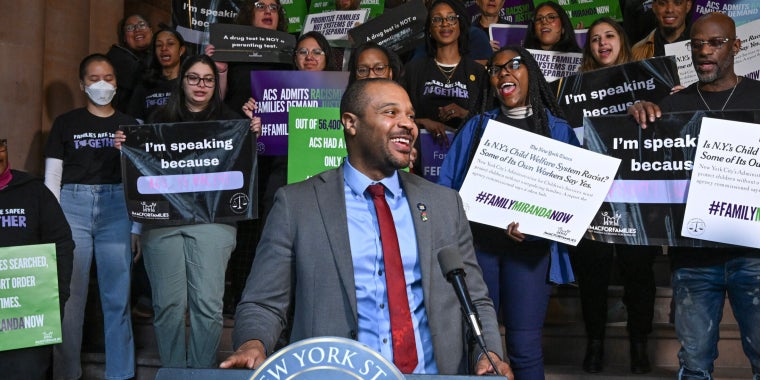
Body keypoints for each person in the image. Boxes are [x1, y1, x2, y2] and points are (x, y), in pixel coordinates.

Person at [219, 78, 512, 379]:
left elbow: (475, 300)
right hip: (335, 374)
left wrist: (486, 352)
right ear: (350, 123)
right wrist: (252, 343)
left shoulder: (444, 204)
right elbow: (263, 303)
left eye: (410, 116)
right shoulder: (297, 205)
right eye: (390, 113)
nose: (408, 124)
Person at [628, 12, 760, 379]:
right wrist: (635, 114)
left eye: (715, 43)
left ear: (735, 46)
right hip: (692, 257)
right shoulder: (670, 107)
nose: (704, 51)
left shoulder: (759, 98)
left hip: (754, 257)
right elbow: (639, 162)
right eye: (696, 43)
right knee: (695, 365)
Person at [438, 46, 578, 380]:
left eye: (514, 65)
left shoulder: (556, 130)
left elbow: (572, 199)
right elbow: (446, 186)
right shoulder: (475, 128)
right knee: (480, 347)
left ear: (530, 71)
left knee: (525, 348)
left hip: (529, 254)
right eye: (496, 69)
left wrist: (537, 227)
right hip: (479, 249)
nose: (504, 73)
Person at [114, 54, 262, 369]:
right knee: (167, 305)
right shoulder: (157, 118)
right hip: (164, 221)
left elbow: (245, 169)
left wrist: (253, 136)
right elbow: (143, 170)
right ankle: (172, 373)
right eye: (193, 78)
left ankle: (201, 373)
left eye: (207, 79)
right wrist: (126, 147)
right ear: (182, 81)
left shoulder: (233, 122)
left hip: (214, 221)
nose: (200, 85)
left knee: (207, 306)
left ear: (215, 84)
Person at [45, 53, 136, 380]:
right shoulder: (66, 123)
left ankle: (120, 373)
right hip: (72, 206)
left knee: (117, 296)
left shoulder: (130, 125)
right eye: (95, 78)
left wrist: (136, 225)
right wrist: (53, 223)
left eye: (108, 78)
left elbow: (141, 180)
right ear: (82, 84)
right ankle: (66, 373)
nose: (102, 84)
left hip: (116, 207)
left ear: (116, 83)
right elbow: (52, 176)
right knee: (69, 298)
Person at [577, 16, 659, 375]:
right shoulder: (572, 89)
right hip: (590, 197)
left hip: (637, 195)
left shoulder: (646, 81)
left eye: (609, 36)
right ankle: (594, 344)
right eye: (595, 39)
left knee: (638, 273)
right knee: (592, 275)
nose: (602, 43)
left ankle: (639, 344)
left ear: (622, 42)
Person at [0, 138, 74, 380]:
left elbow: (62, 241)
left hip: (27, 319)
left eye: (0, 146)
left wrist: (58, 296)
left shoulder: (33, 191)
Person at [403, 0, 488, 147]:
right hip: (420, 155)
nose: (445, 23)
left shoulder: (478, 72)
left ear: (460, 25)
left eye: (451, 18)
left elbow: (489, 122)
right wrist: (423, 122)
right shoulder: (413, 69)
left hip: (465, 153)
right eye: (437, 19)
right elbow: (400, 117)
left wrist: (464, 114)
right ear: (429, 28)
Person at [128, 27, 187, 121]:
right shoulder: (144, 85)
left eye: (170, 44)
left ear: (181, 50)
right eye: (159, 45)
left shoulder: (189, 83)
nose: (164, 48)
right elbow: (135, 122)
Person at [107, 14, 154, 114]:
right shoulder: (117, 56)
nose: (137, 30)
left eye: (141, 25)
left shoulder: (158, 54)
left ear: (151, 30)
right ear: (124, 37)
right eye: (130, 28)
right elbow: (146, 80)